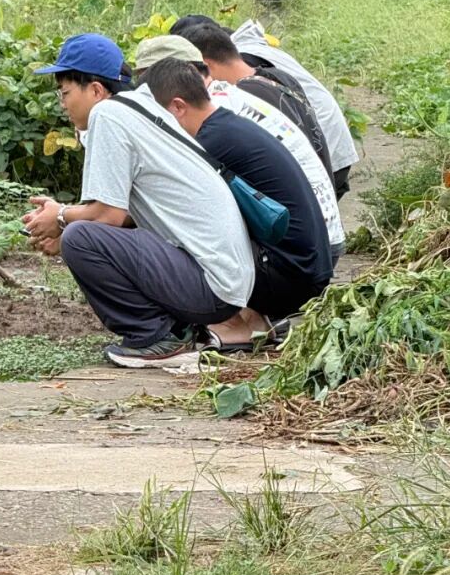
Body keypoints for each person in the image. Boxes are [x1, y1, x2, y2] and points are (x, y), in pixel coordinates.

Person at [22, 33, 277, 368]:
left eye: (65, 92)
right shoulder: (141, 107)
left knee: (80, 238)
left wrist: (60, 216)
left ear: (96, 90)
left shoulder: (108, 116)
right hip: (229, 283)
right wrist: (66, 219)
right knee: (81, 233)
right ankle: (177, 331)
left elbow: (108, 216)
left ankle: (158, 338)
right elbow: (123, 217)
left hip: (214, 286)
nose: (62, 103)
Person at [144, 58, 334, 329]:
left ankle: (230, 323)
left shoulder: (208, 144)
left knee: (172, 227)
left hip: (289, 282)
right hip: (307, 270)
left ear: (178, 106)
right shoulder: (226, 125)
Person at [133, 34, 345, 259]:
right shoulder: (229, 95)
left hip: (299, 249)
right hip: (321, 236)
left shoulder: (207, 117)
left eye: (152, 82)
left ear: (187, 73)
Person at [173, 14, 358, 196]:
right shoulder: (266, 72)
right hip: (325, 156)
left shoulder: (245, 94)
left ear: (204, 65)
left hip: (323, 158)